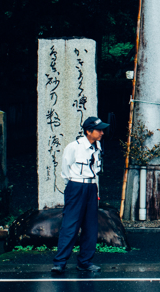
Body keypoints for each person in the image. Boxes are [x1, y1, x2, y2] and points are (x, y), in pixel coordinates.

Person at [52, 116, 109, 275]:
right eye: (99, 130)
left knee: (91, 225)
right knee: (70, 224)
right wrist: (73, 185)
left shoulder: (97, 146)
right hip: (76, 185)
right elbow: (65, 168)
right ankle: (60, 262)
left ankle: (85, 262)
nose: (102, 133)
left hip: (91, 186)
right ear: (88, 131)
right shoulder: (74, 147)